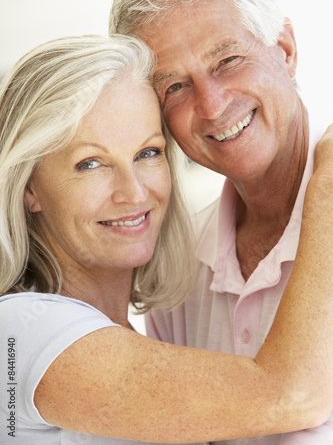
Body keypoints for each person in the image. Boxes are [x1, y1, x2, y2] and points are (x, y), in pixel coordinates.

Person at [0, 34, 332, 445]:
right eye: (90, 163)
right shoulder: (19, 332)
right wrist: (327, 186)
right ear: (29, 187)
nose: (134, 194)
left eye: (147, 153)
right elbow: (293, 396)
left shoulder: (141, 341)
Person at [109, 0, 333, 443]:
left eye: (228, 59)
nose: (211, 106)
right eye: (175, 87)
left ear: (286, 50)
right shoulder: (177, 269)